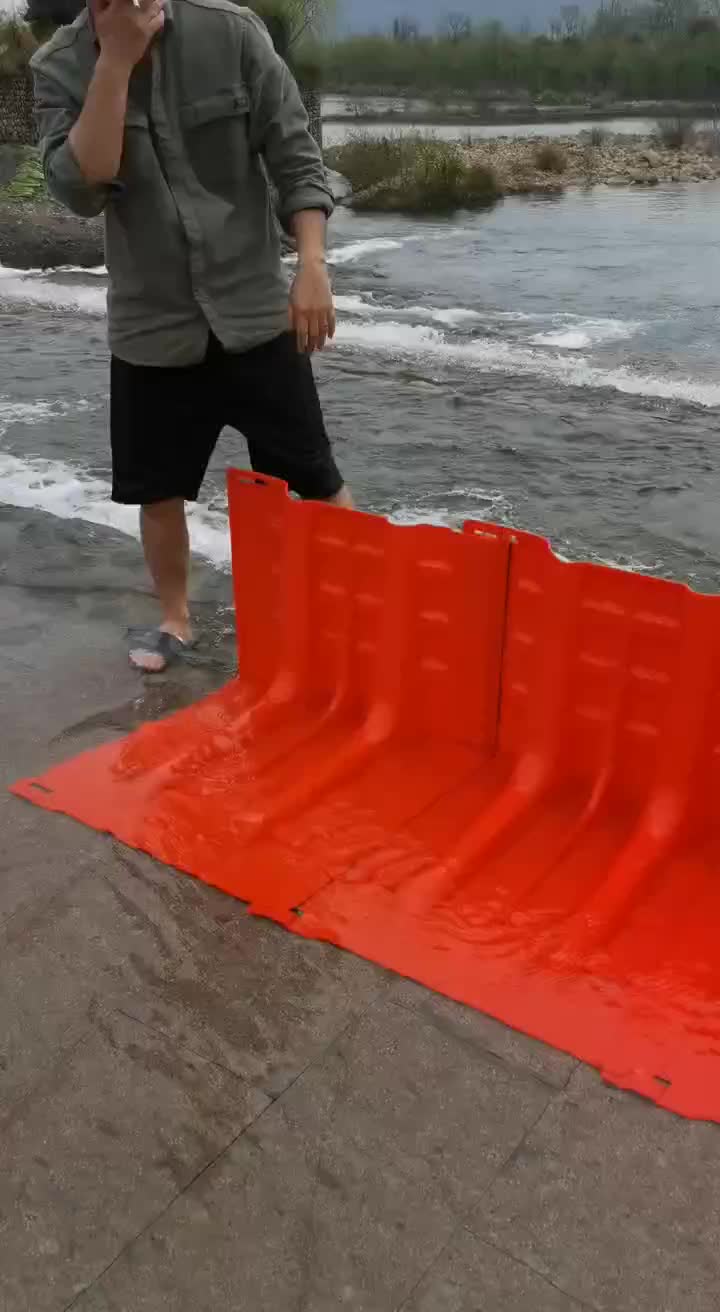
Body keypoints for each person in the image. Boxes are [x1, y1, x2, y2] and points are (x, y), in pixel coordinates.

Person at [31, 0, 351, 672]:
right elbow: (81, 188)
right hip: (152, 321)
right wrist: (114, 62)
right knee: (158, 490)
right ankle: (175, 620)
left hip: (254, 307)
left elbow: (295, 154)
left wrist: (313, 267)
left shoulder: (231, 32)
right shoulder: (60, 64)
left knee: (315, 479)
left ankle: (351, 611)